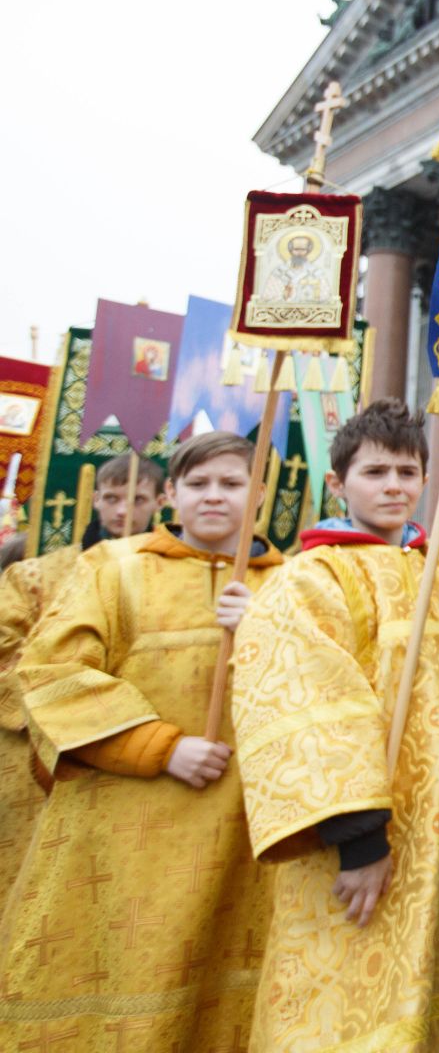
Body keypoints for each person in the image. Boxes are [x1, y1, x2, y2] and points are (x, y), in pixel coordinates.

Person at [231, 398, 439, 1051]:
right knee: (346, 1003)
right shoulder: (310, 578)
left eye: (407, 471)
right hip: (365, 840)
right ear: (339, 484)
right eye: (376, 473)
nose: (394, 486)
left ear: (428, 479)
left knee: (434, 1001)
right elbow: (306, 716)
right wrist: (360, 841)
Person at [0, 432, 280, 1047]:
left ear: (258, 494)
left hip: (246, 833)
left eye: (232, 484)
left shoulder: (291, 581)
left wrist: (268, 628)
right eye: (199, 485)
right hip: (123, 829)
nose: (214, 497)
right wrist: (161, 747)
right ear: (172, 494)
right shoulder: (114, 567)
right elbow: (52, 674)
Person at [0, 454, 162, 886]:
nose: (124, 511)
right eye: (112, 498)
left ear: (161, 501)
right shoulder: (34, 576)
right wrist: (61, 702)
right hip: (35, 746)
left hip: (131, 740)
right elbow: (3, 648)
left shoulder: (172, 579)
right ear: (94, 499)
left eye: (138, 499)